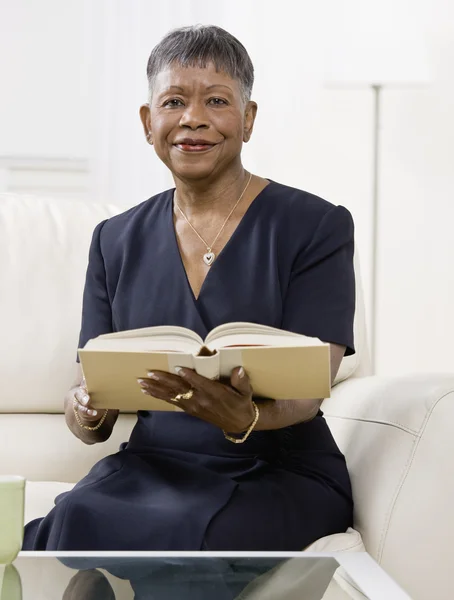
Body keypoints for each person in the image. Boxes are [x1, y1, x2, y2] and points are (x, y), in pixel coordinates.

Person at [23, 24, 355, 552]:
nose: (192, 118)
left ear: (247, 121)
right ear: (148, 121)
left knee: (198, 541)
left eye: (217, 101)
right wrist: (84, 409)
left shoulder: (316, 226)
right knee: (73, 520)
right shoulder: (113, 240)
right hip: (154, 465)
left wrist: (247, 417)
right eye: (173, 101)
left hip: (277, 467)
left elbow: (311, 389)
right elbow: (92, 402)